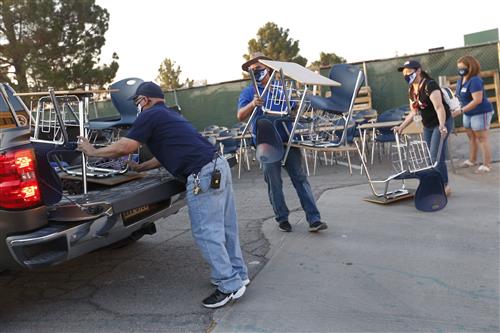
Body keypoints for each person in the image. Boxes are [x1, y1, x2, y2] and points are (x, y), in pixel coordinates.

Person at [77, 81, 248, 309]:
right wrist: (141, 168)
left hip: (202, 175)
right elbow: (167, 151)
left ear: (145, 100)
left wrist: (93, 152)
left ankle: (229, 285)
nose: (137, 106)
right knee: (226, 228)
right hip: (218, 166)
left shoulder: (148, 116)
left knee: (206, 233)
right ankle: (238, 275)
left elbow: (124, 147)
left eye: (137, 101)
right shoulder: (170, 115)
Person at [237, 52, 327, 233]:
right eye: (252, 69)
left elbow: (294, 109)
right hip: (266, 143)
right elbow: (240, 115)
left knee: (300, 179)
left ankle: (314, 218)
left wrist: (300, 110)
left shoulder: (280, 87)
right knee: (274, 183)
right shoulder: (249, 91)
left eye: (258, 68)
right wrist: (253, 104)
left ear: (268, 68)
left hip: (287, 139)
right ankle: (282, 218)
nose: (255, 72)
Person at [393, 60, 453, 195]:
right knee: (429, 158)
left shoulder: (429, 85)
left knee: (435, 157)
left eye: (409, 72)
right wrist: (401, 126)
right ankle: (437, 184)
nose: (406, 75)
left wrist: (442, 125)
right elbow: (414, 111)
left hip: (441, 122)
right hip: (428, 125)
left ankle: (445, 186)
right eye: (404, 73)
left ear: (418, 71)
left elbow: (439, 107)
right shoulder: (411, 90)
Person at [452, 55, 494, 173]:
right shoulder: (460, 80)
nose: (460, 69)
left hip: (480, 112)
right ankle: (472, 160)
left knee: (482, 138)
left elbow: (477, 100)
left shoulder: (475, 80)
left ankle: (487, 165)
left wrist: (460, 111)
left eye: (463, 67)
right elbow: (458, 96)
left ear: (470, 67)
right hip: (468, 113)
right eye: (458, 67)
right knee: (471, 137)